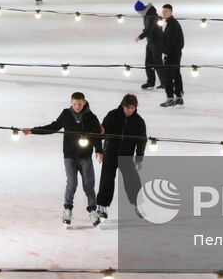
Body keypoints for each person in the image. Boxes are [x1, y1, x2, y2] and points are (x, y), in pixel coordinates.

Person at [24, 91, 104, 226]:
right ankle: (67, 209)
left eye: (79, 104)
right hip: (70, 156)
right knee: (72, 183)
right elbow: (53, 127)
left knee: (88, 185)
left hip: (85, 156)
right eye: (74, 104)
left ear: (84, 102)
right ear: (71, 103)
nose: (77, 106)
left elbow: (96, 135)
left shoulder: (91, 117)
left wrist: (99, 151)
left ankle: (92, 211)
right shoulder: (66, 114)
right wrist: (33, 130)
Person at [97, 93, 146, 220]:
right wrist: (100, 151)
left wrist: (139, 158)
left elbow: (141, 141)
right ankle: (102, 206)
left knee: (133, 180)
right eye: (128, 107)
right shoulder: (112, 115)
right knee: (107, 180)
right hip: (110, 153)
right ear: (123, 106)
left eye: (133, 108)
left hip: (126, 156)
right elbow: (102, 133)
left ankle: (138, 204)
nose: (130, 110)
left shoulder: (139, 122)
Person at [159, 3, 185, 108]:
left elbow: (171, 41)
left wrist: (165, 52)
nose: (163, 13)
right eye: (163, 11)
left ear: (170, 12)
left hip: (172, 54)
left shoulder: (171, 25)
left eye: (165, 11)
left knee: (168, 76)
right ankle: (179, 97)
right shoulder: (173, 23)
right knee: (176, 74)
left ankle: (170, 98)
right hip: (176, 54)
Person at [134, 0, 162, 90]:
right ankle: (150, 82)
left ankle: (165, 82)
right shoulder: (147, 14)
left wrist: (140, 37)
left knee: (157, 62)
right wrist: (144, 32)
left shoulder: (151, 16)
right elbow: (148, 28)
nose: (138, 13)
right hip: (150, 41)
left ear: (140, 10)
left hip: (156, 41)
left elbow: (149, 29)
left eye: (137, 11)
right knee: (148, 63)